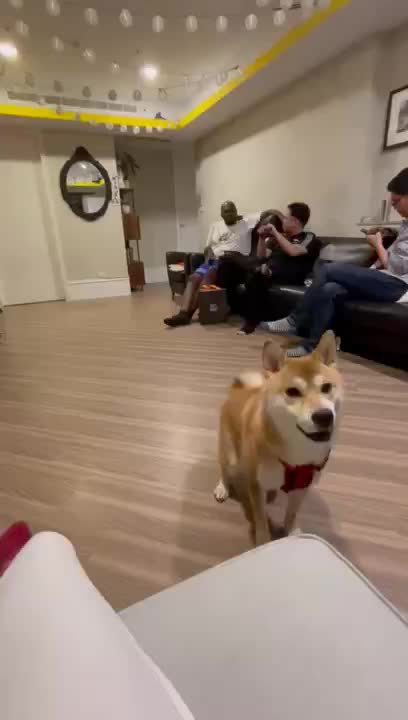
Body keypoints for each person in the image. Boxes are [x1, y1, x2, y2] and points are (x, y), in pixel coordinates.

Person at [263, 168, 408, 357]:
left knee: (328, 269)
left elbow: (397, 267)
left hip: (399, 285)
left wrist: (378, 245)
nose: (393, 206)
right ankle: (311, 347)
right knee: (330, 289)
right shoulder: (405, 225)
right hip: (387, 279)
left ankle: (295, 320)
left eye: (396, 201)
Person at [164, 201, 260, 327]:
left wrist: (281, 218)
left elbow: (268, 214)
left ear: (236, 211)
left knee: (208, 275)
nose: (230, 213)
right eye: (226, 211)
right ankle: (183, 312)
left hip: (232, 261)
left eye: (232, 210)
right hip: (212, 260)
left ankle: (187, 315)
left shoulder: (246, 223)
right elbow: (208, 247)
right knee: (193, 278)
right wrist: (207, 257)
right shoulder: (215, 226)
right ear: (221, 214)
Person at [238, 202, 321, 334]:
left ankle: (251, 322)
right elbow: (262, 255)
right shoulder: (281, 237)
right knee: (245, 269)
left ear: (294, 221)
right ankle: (250, 318)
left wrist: (276, 233)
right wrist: (262, 238)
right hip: (269, 273)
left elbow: (294, 251)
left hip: (292, 276)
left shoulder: (308, 237)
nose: (283, 221)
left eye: (286, 218)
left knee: (256, 273)